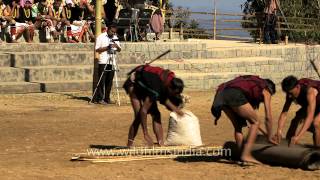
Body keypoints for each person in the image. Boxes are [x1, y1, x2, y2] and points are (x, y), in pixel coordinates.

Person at [211, 75, 277, 164]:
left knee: (238, 126)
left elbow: (251, 121)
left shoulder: (249, 87)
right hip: (233, 94)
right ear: (270, 89)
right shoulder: (266, 88)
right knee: (256, 122)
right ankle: (246, 155)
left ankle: (240, 155)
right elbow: (268, 117)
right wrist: (269, 137)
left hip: (221, 95)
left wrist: (266, 134)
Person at [123, 64, 184, 147]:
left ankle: (160, 143)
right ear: (170, 88)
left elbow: (165, 99)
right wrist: (146, 134)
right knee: (138, 116)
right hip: (133, 85)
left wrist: (176, 110)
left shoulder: (168, 83)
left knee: (156, 114)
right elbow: (143, 111)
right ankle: (129, 145)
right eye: (174, 93)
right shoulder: (157, 88)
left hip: (146, 87)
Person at [273, 76, 320, 147]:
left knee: (316, 123)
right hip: (312, 105)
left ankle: (317, 153)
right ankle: (288, 146)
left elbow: (310, 117)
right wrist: (279, 131)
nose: (289, 96)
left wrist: (298, 136)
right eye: (287, 93)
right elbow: (284, 113)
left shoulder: (310, 91)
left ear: (298, 87)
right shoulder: (290, 94)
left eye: (291, 93)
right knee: (295, 120)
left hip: (316, 103)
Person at [94, 23, 121, 104]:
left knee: (109, 81)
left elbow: (119, 50)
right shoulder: (101, 37)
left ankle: (107, 98)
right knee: (102, 81)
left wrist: (116, 46)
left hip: (112, 61)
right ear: (108, 29)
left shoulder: (115, 37)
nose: (113, 33)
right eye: (112, 32)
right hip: (103, 61)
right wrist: (108, 47)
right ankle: (100, 98)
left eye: (114, 32)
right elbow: (97, 49)